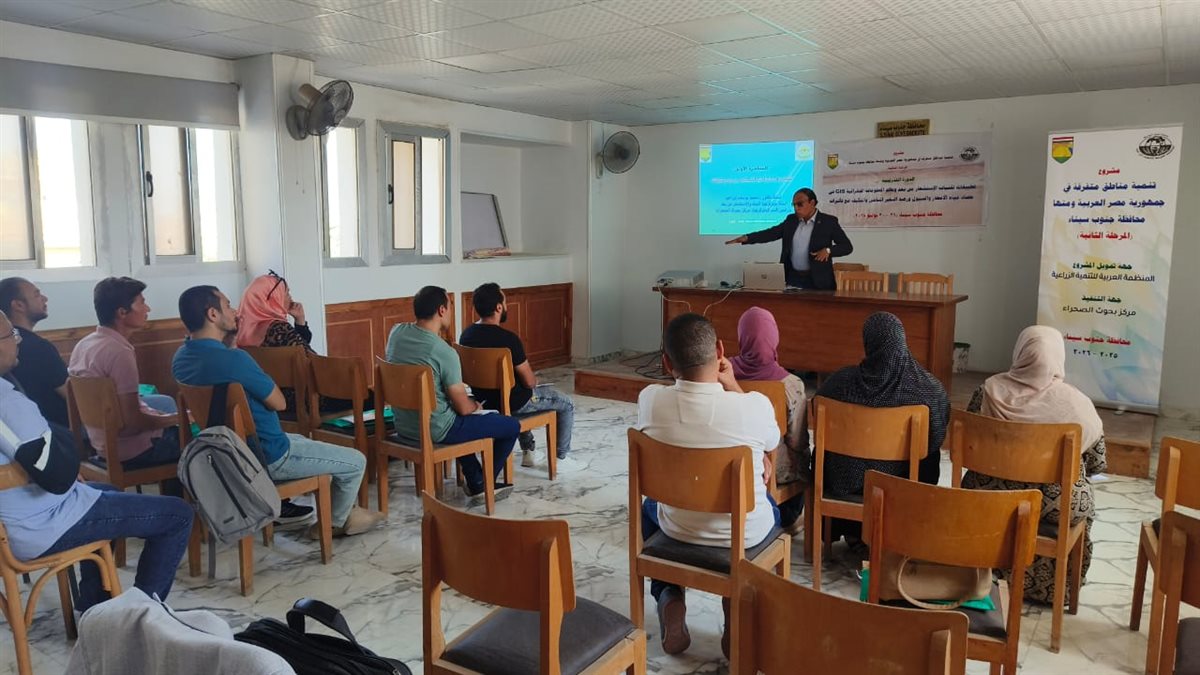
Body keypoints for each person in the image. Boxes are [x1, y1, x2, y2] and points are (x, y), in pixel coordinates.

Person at [0, 310, 193, 611]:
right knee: (178, 515)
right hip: (38, 526)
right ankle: (140, 617)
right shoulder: (7, 402)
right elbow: (57, 474)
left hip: (19, 515)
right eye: (11, 335)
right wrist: (64, 453)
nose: (18, 340)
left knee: (110, 491)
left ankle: (93, 605)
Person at [172, 285, 383, 538]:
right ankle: (332, 525)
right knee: (355, 461)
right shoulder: (235, 360)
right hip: (267, 456)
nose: (235, 310)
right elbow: (279, 403)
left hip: (223, 454)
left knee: (304, 441)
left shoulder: (181, 357)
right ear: (212, 314)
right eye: (228, 305)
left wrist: (230, 344)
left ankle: (347, 513)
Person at [636, 313, 780, 658]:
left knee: (648, 508)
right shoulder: (754, 406)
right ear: (720, 352)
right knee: (772, 507)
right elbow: (771, 444)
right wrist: (734, 386)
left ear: (666, 363)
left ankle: (669, 594)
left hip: (678, 527)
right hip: (745, 534)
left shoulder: (650, 400)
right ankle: (735, 606)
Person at [964, 325, 1106, 605]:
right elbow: (1097, 462)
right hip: (1055, 505)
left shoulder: (988, 391)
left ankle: (984, 578)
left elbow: (970, 443)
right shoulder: (1076, 405)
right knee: (1082, 501)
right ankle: (1055, 590)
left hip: (988, 496)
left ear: (1019, 352)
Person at [815, 312, 949, 546]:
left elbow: (815, 419)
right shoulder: (929, 390)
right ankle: (904, 532)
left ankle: (851, 529)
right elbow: (937, 437)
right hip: (900, 488)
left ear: (868, 343)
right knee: (928, 453)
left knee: (823, 451)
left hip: (844, 488)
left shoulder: (837, 385)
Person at [386, 286, 520, 504]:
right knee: (510, 426)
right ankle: (484, 484)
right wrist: (475, 406)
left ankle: (475, 479)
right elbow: (463, 408)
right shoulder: (443, 351)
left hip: (404, 424)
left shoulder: (396, 333)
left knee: (457, 418)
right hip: (436, 429)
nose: (450, 311)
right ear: (441, 310)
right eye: (449, 307)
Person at [459, 282, 579, 471]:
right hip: (513, 403)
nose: (506, 305)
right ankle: (561, 459)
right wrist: (536, 381)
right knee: (566, 404)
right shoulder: (509, 339)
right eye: (505, 302)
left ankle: (529, 451)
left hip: (484, 402)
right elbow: (529, 382)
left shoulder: (466, 336)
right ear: (499, 307)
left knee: (517, 392)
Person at [67, 277, 180, 472]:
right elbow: (133, 422)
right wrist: (177, 418)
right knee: (203, 446)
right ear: (122, 312)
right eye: (142, 303)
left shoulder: (84, 344)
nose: (148, 309)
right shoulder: (119, 351)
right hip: (134, 450)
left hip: (101, 445)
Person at [729, 306, 808, 484]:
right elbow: (798, 441)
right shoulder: (791, 385)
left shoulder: (722, 373)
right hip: (776, 472)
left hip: (730, 466)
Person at [724, 187, 853, 290]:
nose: (796, 208)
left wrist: (828, 250)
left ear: (812, 203)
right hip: (793, 278)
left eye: (800, 204)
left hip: (818, 281)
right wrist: (747, 238)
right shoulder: (791, 220)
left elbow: (847, 247)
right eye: (794, 204)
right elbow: (772, 233)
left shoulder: (828, 222)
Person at [0, 277, 69, 427]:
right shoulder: (39, 348)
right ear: (18, 305)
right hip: (55, 431)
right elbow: (73, 397)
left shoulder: (10, 347)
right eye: (37, 295)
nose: (45, 298)